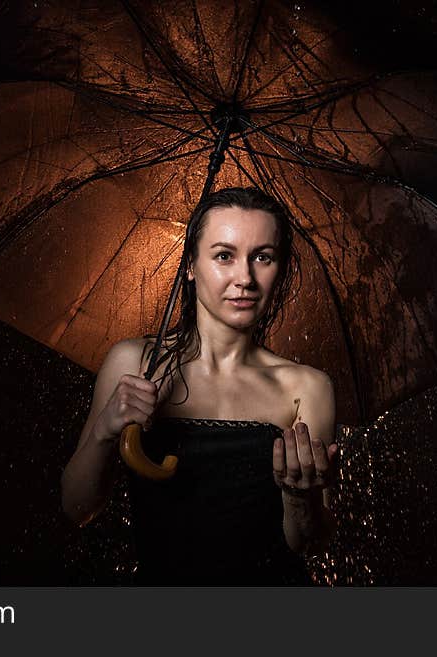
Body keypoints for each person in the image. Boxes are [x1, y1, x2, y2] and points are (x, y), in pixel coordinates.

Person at [61, 186, 338, 585]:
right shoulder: (133, 364)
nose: (245, 278)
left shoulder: (307, 388)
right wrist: (105, 431)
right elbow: (77, 509)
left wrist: (300, 497)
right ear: (190, 265)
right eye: (224, 255)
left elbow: (309, 544)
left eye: (263, 257)